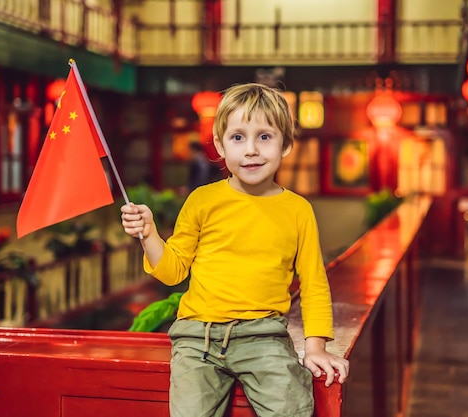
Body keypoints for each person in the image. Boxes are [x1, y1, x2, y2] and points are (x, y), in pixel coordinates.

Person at [121, 82, 349, 417]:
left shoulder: (298, 210)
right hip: (197, 337)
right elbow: (173, 271)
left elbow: (314, 282)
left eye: (265, 137)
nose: (251, 150)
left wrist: (315, 347)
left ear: (285, 144)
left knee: (292, 408)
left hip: (263, 336)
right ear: (219, 145)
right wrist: (149, 235)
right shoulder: (202, 201)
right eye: (238, 137)